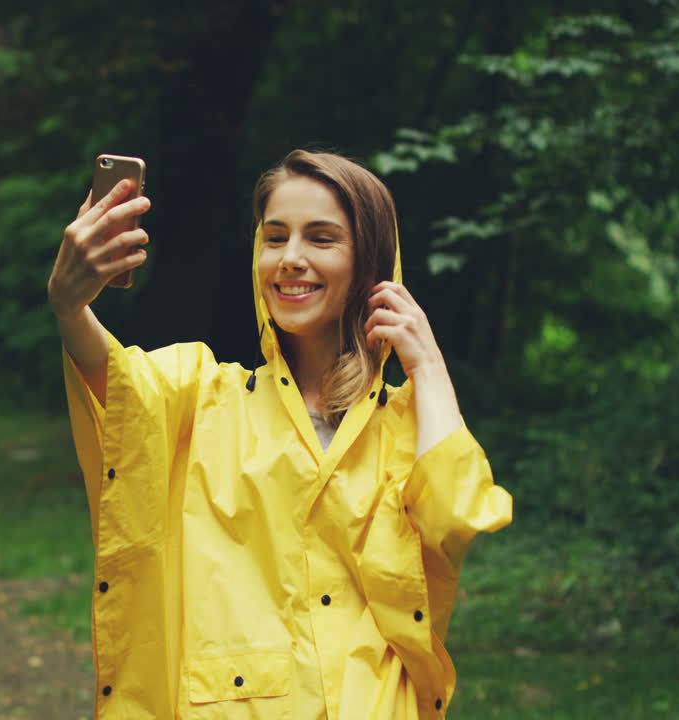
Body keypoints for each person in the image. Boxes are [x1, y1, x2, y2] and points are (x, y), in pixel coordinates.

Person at [47, 150, 513, 719]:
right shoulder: (199, 397)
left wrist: (430, 369)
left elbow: (458, 516)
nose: (290, 259)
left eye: (321, 239)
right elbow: (114, 384)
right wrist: (70, 307)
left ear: (369, 264)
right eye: (275, 238)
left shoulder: (410, 422)